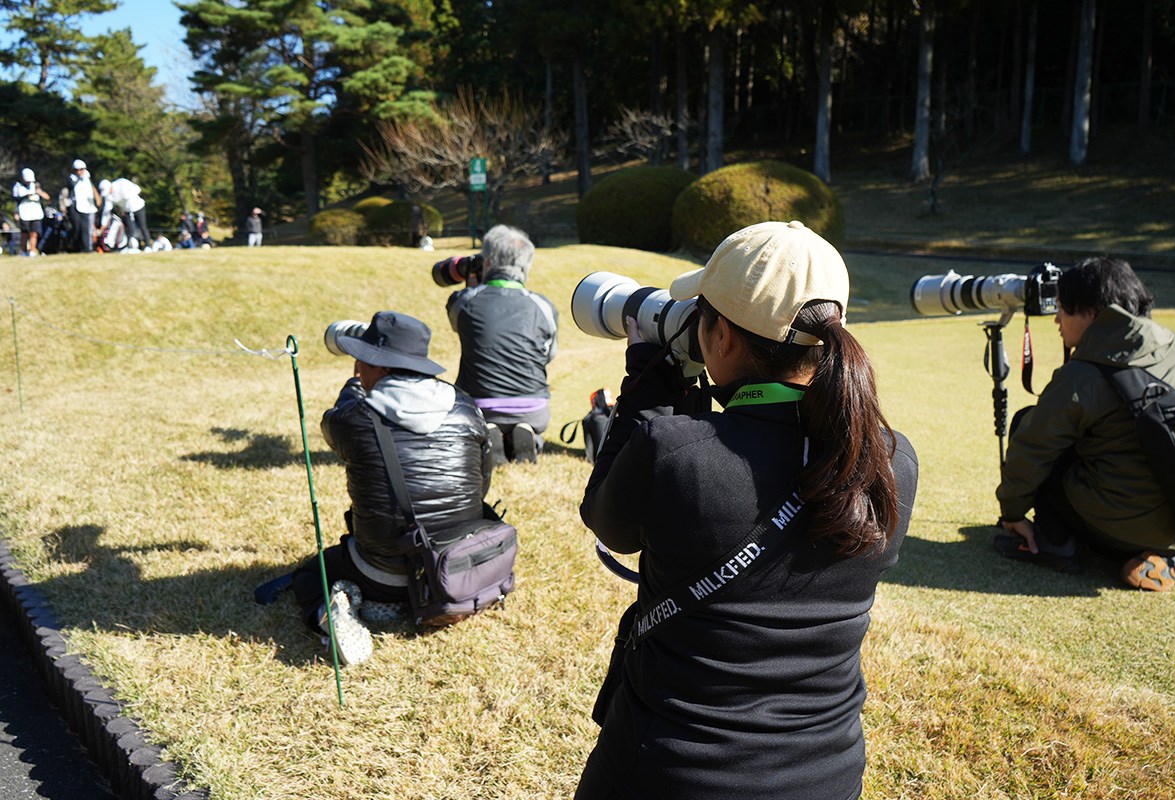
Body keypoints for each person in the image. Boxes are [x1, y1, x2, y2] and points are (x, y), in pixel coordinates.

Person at [575, 220, 919, 799]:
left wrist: (646, 388)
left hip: (671, 770)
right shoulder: (891, 459)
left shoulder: (676, 451)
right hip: (827, 773)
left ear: (724, 337)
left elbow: (606, 521)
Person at [290, 312, 492, 664]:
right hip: (459, 563)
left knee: (311, 572)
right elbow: (482, 483)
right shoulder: (465, 406)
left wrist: (353, 390)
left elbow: (329, 427)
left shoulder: (355, 417)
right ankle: (397, 606)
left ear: (379, 368)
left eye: (361, 361)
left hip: (384, 571)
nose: (356, 368)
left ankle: (334, 613)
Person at [994, 256, 1175, 590]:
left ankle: (1057, 547)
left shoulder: (1085, 374)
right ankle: (1168, 554)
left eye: (1062, 308)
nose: (1057, 320)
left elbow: (1033, 447)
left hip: (1117, 525)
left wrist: (1013, 513)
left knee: (1027, 423)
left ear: (1092, 313)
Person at [446, 224, 558, 464]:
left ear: (487, 262)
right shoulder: (543, 306)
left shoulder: (464, 302)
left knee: (475, 415)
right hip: (533, 406)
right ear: (526, 265)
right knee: (530, 419)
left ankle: (490, 433)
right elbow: (549, 355)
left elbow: (460, 325)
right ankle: (530, 436)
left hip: (480, 404)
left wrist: (472, 284)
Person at [98, 178, 151, 249]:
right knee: (129, 229)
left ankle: (148, 245)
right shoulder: (108, 196)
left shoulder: (122, 182)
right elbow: (107, 210)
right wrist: (103, 224)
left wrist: (128, 194)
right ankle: (129, 247)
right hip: (127, 211)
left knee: (142, 226)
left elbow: (137, 189)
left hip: (138, 207)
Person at [11, 168, 50, 256]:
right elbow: (16, 199)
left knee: (34, 233)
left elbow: (47, 198)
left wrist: (39, 192)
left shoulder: (36, 186)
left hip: (35, 212)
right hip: (24, 212)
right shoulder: (17, 186)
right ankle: (23, 251)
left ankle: (32, 251)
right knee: (24, 233)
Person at [67, 159, 100, 253]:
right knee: (76, 228)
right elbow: (72, 186)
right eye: (78, 169)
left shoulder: (87, 178)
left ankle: (86, 249)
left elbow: (91, 189)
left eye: (82, 169)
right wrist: (80, 177)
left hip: (87, 206)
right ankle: (73, 247)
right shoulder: (71, 177)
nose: (80, 171)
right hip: (75, 206)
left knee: (86, 229)